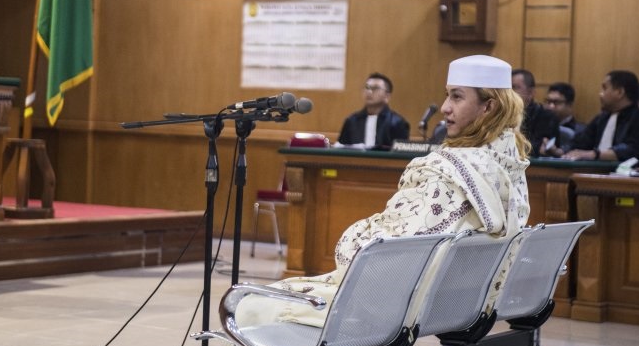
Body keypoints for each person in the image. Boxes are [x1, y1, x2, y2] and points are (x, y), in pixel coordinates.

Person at [236, 54, 531, 329]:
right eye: (446, 95)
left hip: (393, 305)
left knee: (250, 304)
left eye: (457, 97)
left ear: (488, 107)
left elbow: (391, 251)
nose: (445, 108)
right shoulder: (511, 167)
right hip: (458, 303)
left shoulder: (448, 170)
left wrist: (356, 236)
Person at [559, 71, 639, 164]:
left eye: (604, 88)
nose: (600, 94)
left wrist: (595, 154)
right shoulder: (601, 119)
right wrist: (559, 151)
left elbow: (632, 150)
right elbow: (580, 142)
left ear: (619, 92)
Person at [336, 72, 410, 150]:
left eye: (375, 88)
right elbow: (340, 149)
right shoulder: (351, 121)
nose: (369, 92)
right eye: (367, 87)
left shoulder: (398, 123)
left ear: (387, 96)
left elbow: (401, 154)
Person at [512, 69, 560, 157]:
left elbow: (541, 148)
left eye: (515, 87)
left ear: (531, 92)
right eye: (508, 88)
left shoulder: (547, 117)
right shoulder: (502, 114)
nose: (510, 92)